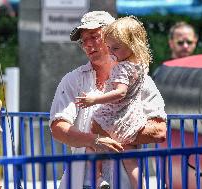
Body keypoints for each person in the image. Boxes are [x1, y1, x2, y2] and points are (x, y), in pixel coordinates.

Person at [49, 11, 167, 189]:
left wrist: (110, 134)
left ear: (114, 37)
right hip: (79, 182)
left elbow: (159, 131)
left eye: (94, 37)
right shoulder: (72, 79)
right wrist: (93, 140)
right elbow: (58, 128)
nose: (87, 45)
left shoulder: (142, 80)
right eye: (83, 41)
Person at [75, 16, 150, 189]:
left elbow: (120, 92)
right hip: (132, 119)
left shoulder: (122, 68)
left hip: (114, 117)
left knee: (93, 138)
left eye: (115, 48)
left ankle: (97, 178)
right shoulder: (140, 65)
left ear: (132, 44)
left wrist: (94, 99)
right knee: (131, 160)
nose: (111, 52)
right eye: (109, 47)